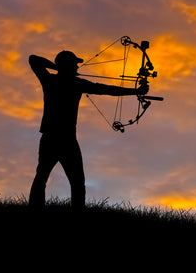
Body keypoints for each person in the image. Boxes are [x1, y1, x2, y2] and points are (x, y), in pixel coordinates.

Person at [28, 50, 148, 208]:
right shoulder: (75, 84)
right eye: (75, 64)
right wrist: (136, 91)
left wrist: (59, 69)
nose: (78, 66)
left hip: (51, 137)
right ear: (69, 65)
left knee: (43, 177)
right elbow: (106, 90)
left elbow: (33, 60)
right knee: (76, 181)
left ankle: (35, 210)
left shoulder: (49, 80)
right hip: (66, 139)